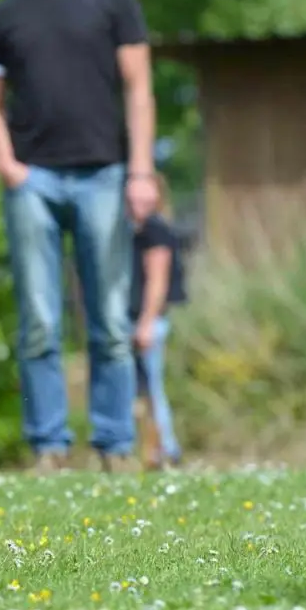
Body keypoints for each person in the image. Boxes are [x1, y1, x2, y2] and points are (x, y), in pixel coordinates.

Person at [0, 0, 159, 473]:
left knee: (108, 319)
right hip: (32, 182)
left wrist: (141, 170)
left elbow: (140, 88)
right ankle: (49, 446)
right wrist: (8, 165)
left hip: (103, 175)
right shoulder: (4, 14)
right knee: (38, 319)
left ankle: (114, 444)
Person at [129, 172, 185, 470]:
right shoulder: (138, 230)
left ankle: (165, 450)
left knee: (151, 391)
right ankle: (153, 450)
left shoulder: (154, 230)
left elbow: (157, 282)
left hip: (146, 322)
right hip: (138, 321)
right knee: (143, 392)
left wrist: (146, 323)